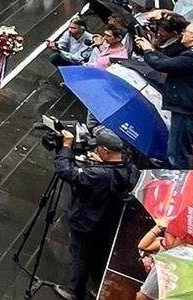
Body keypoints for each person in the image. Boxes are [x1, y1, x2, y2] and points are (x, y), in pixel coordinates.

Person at [53, 125, 137, 300]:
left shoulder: (98, 174)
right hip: (110, 222)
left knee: (80, 255)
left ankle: (75, 291)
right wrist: (100, 163)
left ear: (105, 151)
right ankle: (97, 286)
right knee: (99, 255)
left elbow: (65, 171)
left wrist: (66, 146)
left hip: (87, 222)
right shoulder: (129, 168)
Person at [135, 20, 193, 167]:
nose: (183, 34)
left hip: (189, 112)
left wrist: (148, 51)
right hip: (191, 109)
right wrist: (152, 50)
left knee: (177, 155)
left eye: (186, 32)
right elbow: (173, 62)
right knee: (177, 150)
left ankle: (178, 179)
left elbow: (160, 65)